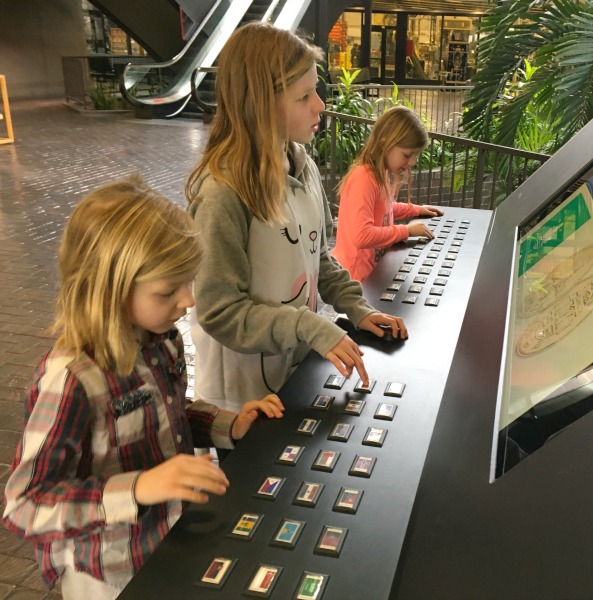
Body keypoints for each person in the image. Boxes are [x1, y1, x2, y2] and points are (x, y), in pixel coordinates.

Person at [2, 176, 285, 599]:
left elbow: (170, 413)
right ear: (108, 289)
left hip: (169, 542)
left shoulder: (161, 339)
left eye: (188, 282)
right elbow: (24, 504)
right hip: (109, 575)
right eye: (168, 290)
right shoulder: (70, 379)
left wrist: (230, 425)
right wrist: (137, 488)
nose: (188, 300)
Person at [185, 22, 407, 413]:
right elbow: (219, 311)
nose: (320, 105)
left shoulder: (303, 167)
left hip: (295, 373)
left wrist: (357, 308)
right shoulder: (221, 192)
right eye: (304, 96)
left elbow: (319, 255)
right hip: (241, 399)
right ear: (260, 104)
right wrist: (309, 325)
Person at [331, 106, 444, 282]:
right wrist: (405, 231)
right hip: (357, 279)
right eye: (407, 155)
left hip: (370, 275)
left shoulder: (379, 173)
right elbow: (361, 236)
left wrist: (416, 210)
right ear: (385, 142)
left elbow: (385, 209)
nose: (412, 162)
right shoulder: (364, 178)